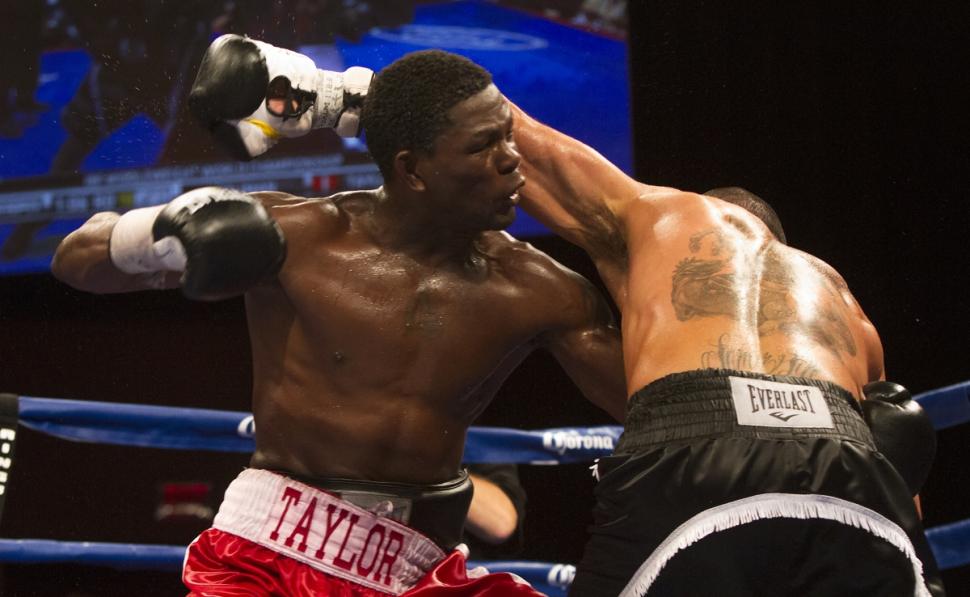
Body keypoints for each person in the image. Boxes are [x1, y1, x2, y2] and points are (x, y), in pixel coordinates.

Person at [50, 41, 627, 595]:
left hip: (424, 568)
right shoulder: (299, 235)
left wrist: (611, 239)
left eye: (507, 136)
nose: (512, 159)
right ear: (412, 169)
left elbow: (649, 404)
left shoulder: (539, 289)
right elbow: (75, 256)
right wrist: (161, 233)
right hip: (270, 561)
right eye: (482, 146)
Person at [505, 103, 946, 595]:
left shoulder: (673, 218)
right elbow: (894, 460)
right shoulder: (840, 297)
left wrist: (453, 86)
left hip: (696, 450)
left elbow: (521, 141)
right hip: (846, 462)